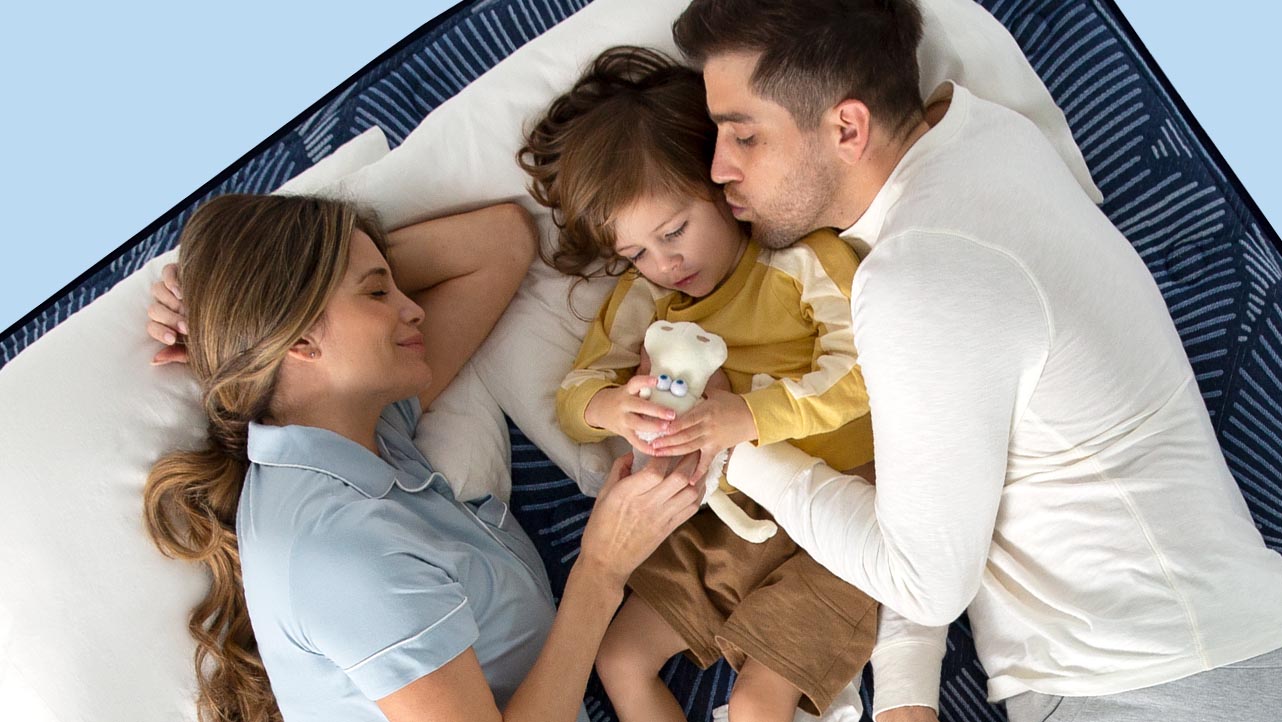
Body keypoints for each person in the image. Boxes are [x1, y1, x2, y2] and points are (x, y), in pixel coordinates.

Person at [666, 1, 1282, 721]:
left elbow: (926, 580)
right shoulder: (983, 137)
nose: (718, 168)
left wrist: (736, 450)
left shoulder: (919, 273)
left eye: (744, 136)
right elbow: (940, 483)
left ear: (847, 128)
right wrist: (903, 695)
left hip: (1140, 680)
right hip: (1194, 649)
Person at [143, 193, 703, 722]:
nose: (413, 309)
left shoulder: (359, 432)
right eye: (378, 292)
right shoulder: (341, 549)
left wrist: (242, 309)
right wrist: (602, 569)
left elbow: (500, 244)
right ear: (301, 343)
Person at [518, 46, 896, 722]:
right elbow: (575, 396)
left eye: (674, 231)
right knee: (618, 658)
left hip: (845, 509)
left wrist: (746, 418)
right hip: (721, 525)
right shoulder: (645, 300)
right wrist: (614, 409)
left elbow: (867, 373)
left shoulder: (800, 261)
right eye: (635, 252)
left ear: (721, 182)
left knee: (756, 705)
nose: (664, 264)